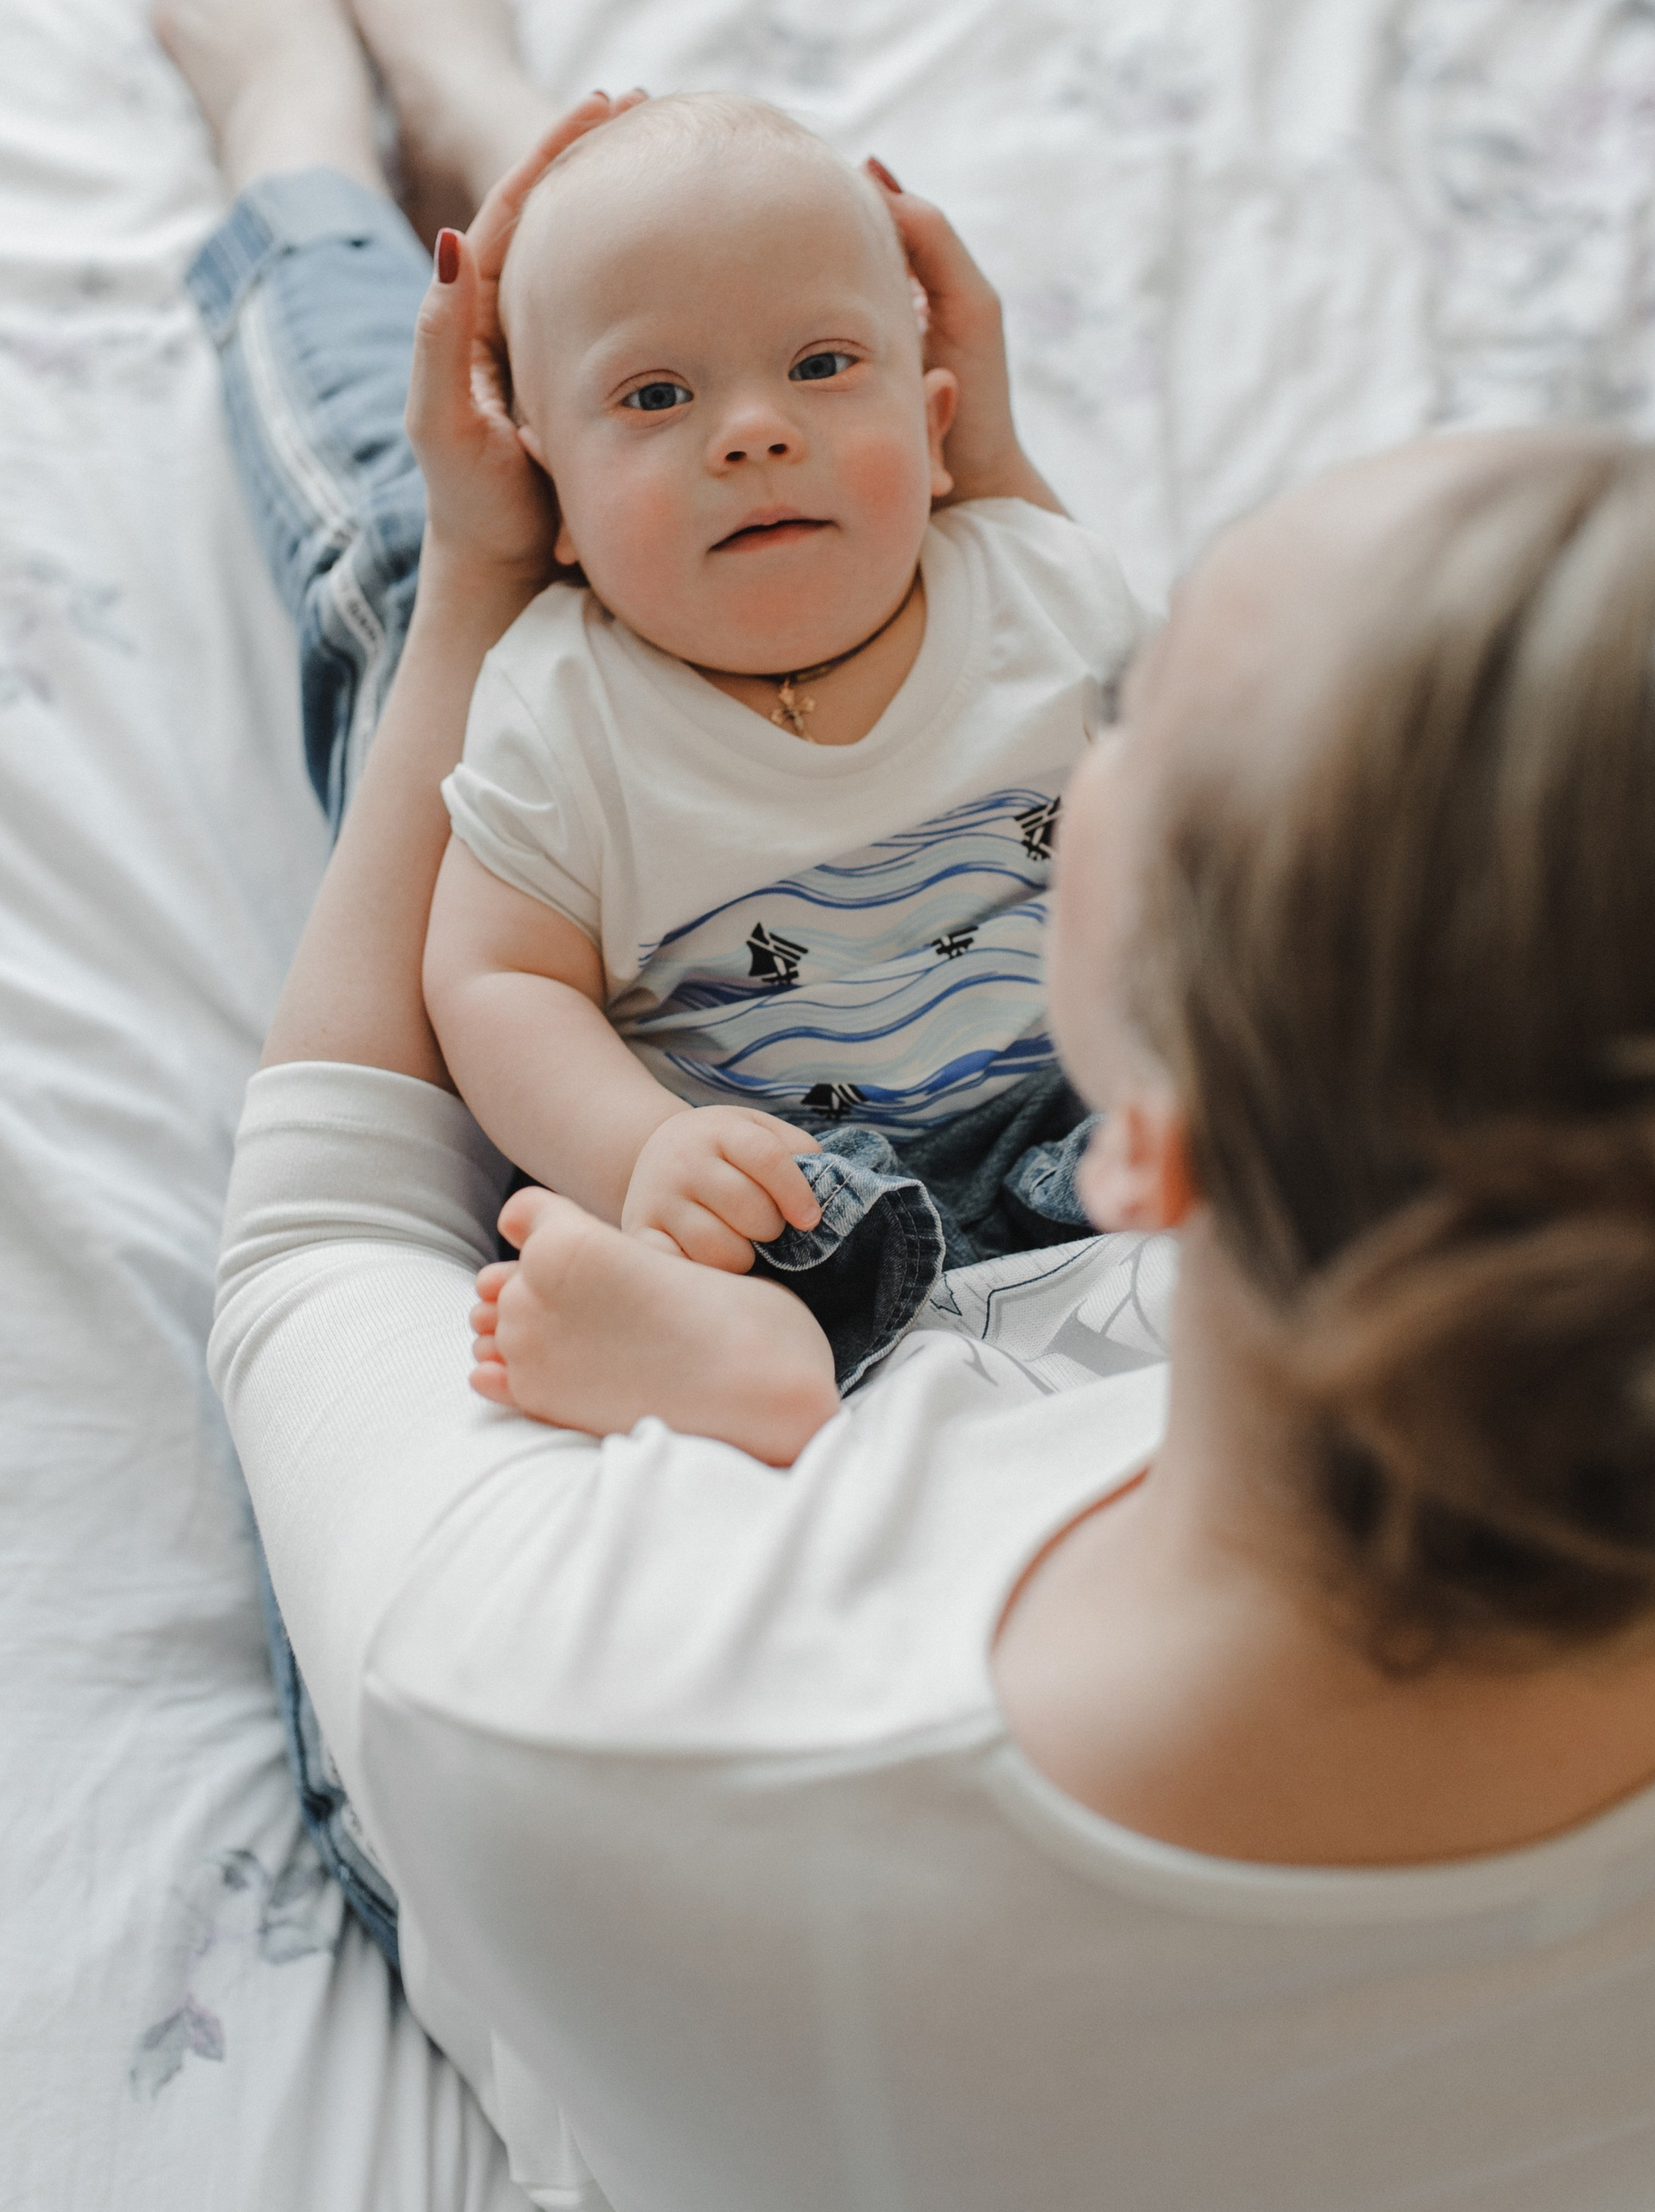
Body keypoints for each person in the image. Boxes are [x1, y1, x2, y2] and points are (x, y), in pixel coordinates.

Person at [160, 0, 1655, 2212]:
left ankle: (306, 157)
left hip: (700, 2078)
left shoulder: (583, 1700)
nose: (1080, 700)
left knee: (379, 581)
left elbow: (322, 1220)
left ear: (1149, 1150)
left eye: (1154, 740)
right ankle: (495, 152)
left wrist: (480, 573)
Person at [425, 89, 1140, 1443]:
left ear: (937, 429)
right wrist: (642, 1151)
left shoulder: (1042, 591)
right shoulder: (563, 704)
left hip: (1088, 1111)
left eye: (820, 366)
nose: (753, 432)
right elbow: (497, 976)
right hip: (789, 1194)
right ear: (552, 502)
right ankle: (707, 1357)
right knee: (734, 1271)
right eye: (656, 394)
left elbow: (1200, 808)